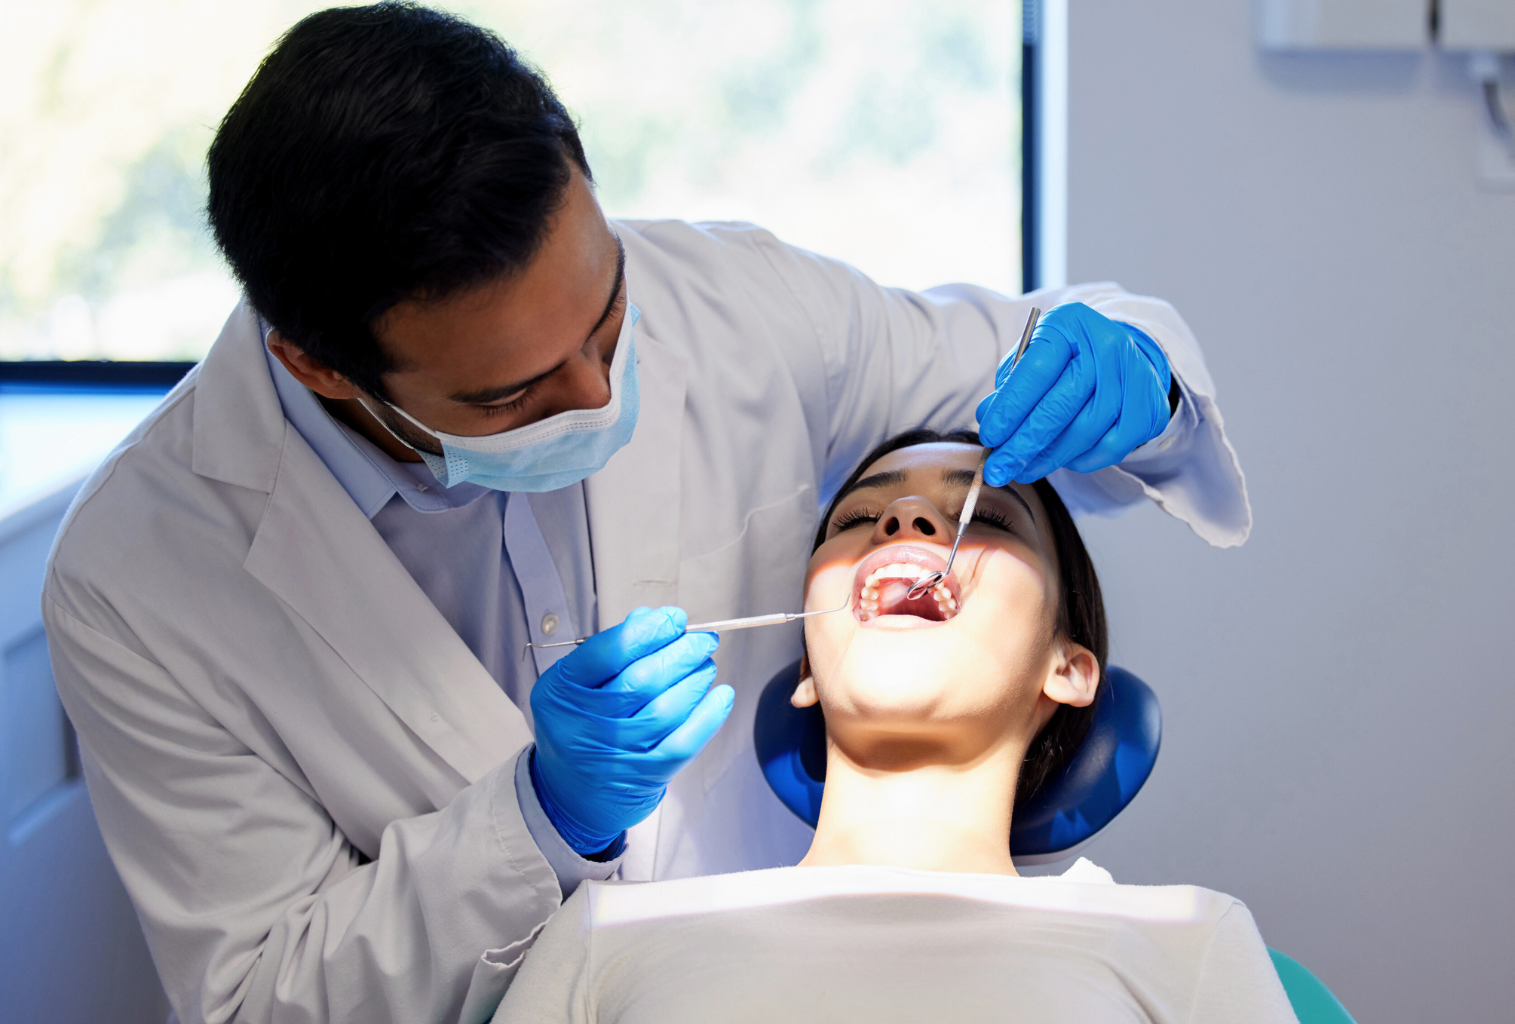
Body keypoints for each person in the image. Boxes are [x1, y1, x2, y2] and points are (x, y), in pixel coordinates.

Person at [42, 5, 1249, 1024]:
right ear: (317, 365)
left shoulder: (1189, 951)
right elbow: (265, 999)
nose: (602, 393)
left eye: (609, 317)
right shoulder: (141, 578)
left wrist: (1133, 370)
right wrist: (536, 816)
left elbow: (1052, 344)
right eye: (512, 393)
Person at [493, 432, 1293, 1024]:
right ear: (806, 668)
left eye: (989, 519)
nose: (904, 518)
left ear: (1068, 668)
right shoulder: (607, 936)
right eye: (862, 515)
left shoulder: (1187, 942)